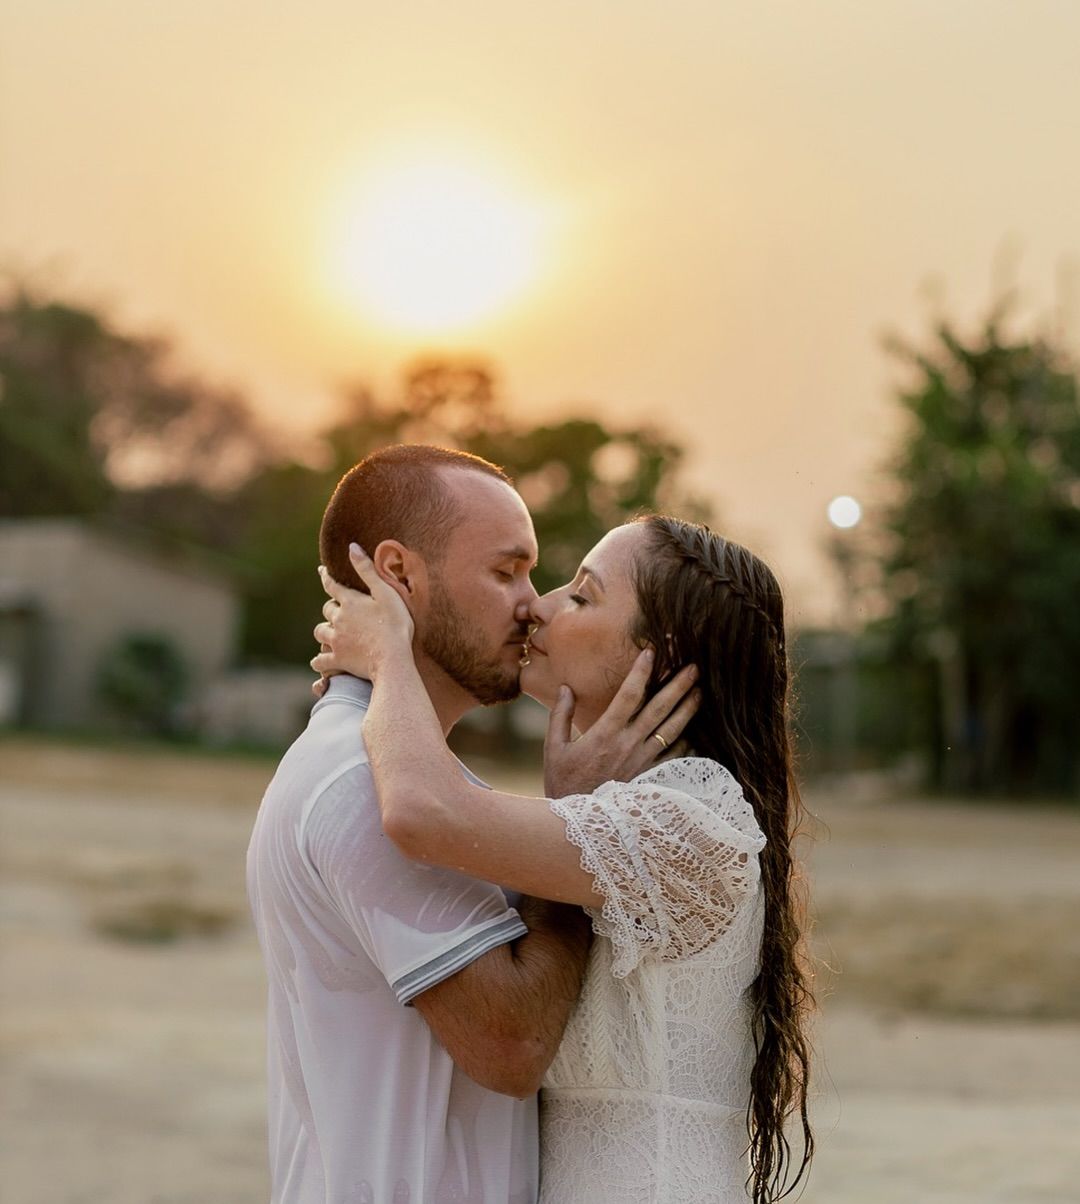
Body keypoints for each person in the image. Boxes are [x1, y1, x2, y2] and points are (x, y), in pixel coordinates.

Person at [312, 514, 815, 1204]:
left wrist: (386, 655)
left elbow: (420, 811)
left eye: (581, 596)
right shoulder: (625, 814)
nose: (539, 608)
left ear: (659, 652)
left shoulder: (691, 819)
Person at [247, 445, 689, 1204]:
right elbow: (511, 1044)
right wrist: (579, 832)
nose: (533, 603)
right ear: (399, 575)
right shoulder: (361, 785)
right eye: (504, 570)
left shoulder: (388, 773)